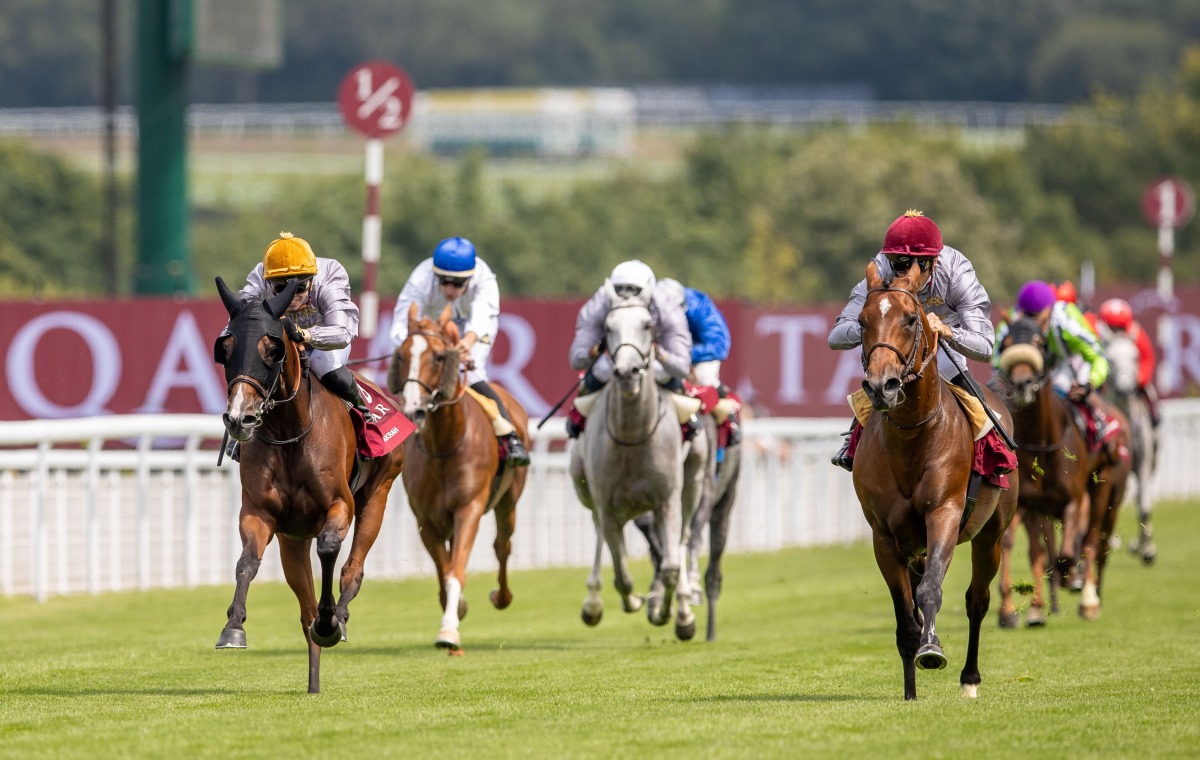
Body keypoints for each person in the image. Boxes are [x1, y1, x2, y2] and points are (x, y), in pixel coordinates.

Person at [828, 210, 997, 471]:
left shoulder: (957, 272)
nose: (907, 274)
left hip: (942, 349)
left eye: (916, 264)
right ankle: (852, 445)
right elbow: (836, 336)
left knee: (981, 409)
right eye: (899, 264)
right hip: (899, 348)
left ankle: (996, 455)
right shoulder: (881, 267)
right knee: (874, 389)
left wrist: (948, 332)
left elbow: (985, 346)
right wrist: (871, 325)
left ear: (934, 261)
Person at [389, 236, 530, 467]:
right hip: (431, 330)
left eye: (457, 284)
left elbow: (481, 319)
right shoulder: (421, 278)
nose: (449, 289)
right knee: (414, 365)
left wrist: (468, 343)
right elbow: (401, 322)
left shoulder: (484, 280)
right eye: (443, 281)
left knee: (472, 374)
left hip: (473, 330)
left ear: (470, 279)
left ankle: (510, 436)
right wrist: (414, 344)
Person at [227, 231, 375, 422]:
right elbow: (239, 319)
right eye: (280, 289)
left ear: (312, 280)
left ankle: (363, 414)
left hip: (325, 345)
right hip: (282, 345)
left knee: (322, 362)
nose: (292, 296)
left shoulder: (329, 275)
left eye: (300, 287)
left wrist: (304, 334)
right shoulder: (260, 277)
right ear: (269, 282)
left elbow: (343, 333)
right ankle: (241, 427)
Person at [564, 260, 693, 439]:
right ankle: (579, 420)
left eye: (633, 290)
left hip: (654, 362)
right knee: (599, 371)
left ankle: (689, 426)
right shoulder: (600, 303)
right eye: (621, 290)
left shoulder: (667, 307)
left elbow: (682, 367)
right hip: (613, 363)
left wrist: (659, 352)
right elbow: (576, 359)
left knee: (668, 376)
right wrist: (594, 351)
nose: (626, 296)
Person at [1013, 279, 1113, 453]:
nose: (1032, 323)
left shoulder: (1065, 321)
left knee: (1065, 386)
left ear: (1049, 309)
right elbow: (999, 358)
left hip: (1074, 362)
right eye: (1027, 317)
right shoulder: (1016, 319)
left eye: (1036, 317)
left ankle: (1101, 431)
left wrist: (1089, 384)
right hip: (1048, 366)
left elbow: (1098, 357)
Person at [657, 277, 742, 446]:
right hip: (667, 354)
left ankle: (728, 418)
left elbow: (718, 346)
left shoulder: (699, 307)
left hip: (697, 356)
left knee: (704, 378)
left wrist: (683, 357)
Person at [1097, 297, 1160, 427]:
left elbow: (1147, 357)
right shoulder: (1097, 335)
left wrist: (1140, 377)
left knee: (1150, 395)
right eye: (1112, 327)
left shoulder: (1137, 334)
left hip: (1134, 381)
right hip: (1106, 382)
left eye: (1119, 327)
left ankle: (1154, 416)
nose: (1116, 331)